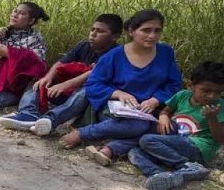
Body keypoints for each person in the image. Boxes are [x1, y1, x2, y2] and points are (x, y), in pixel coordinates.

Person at [87, 61, 224, 190]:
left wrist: (212, 119)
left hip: (198, 148)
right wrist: (163, 117)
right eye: (206, 90)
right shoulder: (182, 96)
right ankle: (158, 174)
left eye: (218, 92)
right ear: (190, 85)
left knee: (147, 140)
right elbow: (167, 110)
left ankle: (188, 165)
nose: (211, 96)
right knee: (135, 152)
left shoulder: (221, 106)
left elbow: (221, 138)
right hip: (175, 140)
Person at [58, 9, 182, 153]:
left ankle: (111, 147)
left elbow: (174, 84)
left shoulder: (166, 52)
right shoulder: (114, 55)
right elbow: (92, 84)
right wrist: (119, 94)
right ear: (131, 32)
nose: (152, 35)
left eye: (157, 31)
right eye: (146, 30)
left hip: (149, 112)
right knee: (138, 126)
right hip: (114, 110)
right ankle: (82, 134)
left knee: (174, 130)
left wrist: (156, 99)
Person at [0, 13, 122, 135]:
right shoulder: (83, 46)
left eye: (100, 31)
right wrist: (48, 77)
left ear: (114, 36)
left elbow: (93, 74)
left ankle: (50, 120)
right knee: (37, 80)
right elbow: (60, 63)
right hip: (66, 92)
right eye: (92, 30)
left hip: (85, 99)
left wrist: (64, 85)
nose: (93, 34)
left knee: (87, 89)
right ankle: (27, 114)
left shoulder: (116, 54)